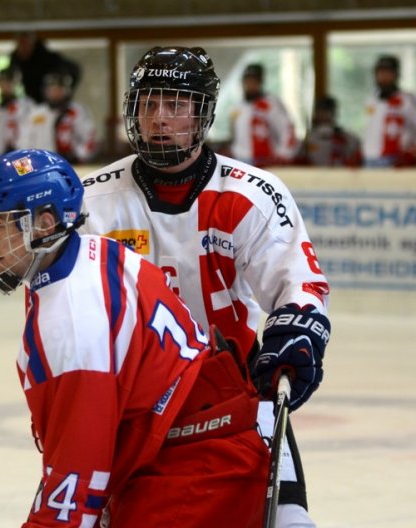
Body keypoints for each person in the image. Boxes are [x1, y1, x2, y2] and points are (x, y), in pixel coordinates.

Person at [80, 46, 331, 527]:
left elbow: (296, 281)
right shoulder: (94, 199)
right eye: (149, 103)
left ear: (202, 114)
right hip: (132, 405)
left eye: (176, 104)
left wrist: (295, 329)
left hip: (235, 390)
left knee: (292, 522)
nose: (159, 118)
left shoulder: (250, 193)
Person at [0, 148, 270, 527]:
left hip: (195, 470)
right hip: (183, 452)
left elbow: (78, 476)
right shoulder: (90, 252)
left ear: (44, 223)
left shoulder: (73, 319)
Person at [362, 54, 416, 167]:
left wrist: (413, 153)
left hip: (396, 162)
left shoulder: (408, 100)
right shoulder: (371, 101)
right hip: (370, 161)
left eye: (388, 73)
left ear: (397, 75)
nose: (383, 77)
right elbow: (371, 132)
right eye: (380, 73)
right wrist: (361, 152)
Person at [18, 68, 97, 164]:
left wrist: (78, 156)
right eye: (51, 89)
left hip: (70, 165)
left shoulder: (76, 111)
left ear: (67, 91)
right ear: (45, 91)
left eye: (59, 89)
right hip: (41, 165)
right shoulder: (35, 114)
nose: (55, 93)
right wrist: (29, 165)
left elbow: (89, 138)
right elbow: (23, 142)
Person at [228, 62, 299, 167]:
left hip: (265, 161)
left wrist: (283, 154)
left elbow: (287, 130)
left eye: (254, 81)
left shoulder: (270, 104)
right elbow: (233, 134)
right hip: (239, 160)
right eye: (247, 81)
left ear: (260, 82)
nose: (250, 84)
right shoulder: (237, 107)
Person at [8, 31, 81, 105]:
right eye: (21, 44)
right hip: (31, 101)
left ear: (32, 43)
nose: (23, 47)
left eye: (26, 43)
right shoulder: (15, 60)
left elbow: (74, 69)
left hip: (51, 102)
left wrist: (66, 90)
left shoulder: (48, 58)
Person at [295, 94, 362, 167]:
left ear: (334, 114)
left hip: (339, 175)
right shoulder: (309, 138)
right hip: (313, 175)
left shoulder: (346, 137)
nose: (323, 115)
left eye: (326, 111)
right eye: (319, 111)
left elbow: (359, 154)